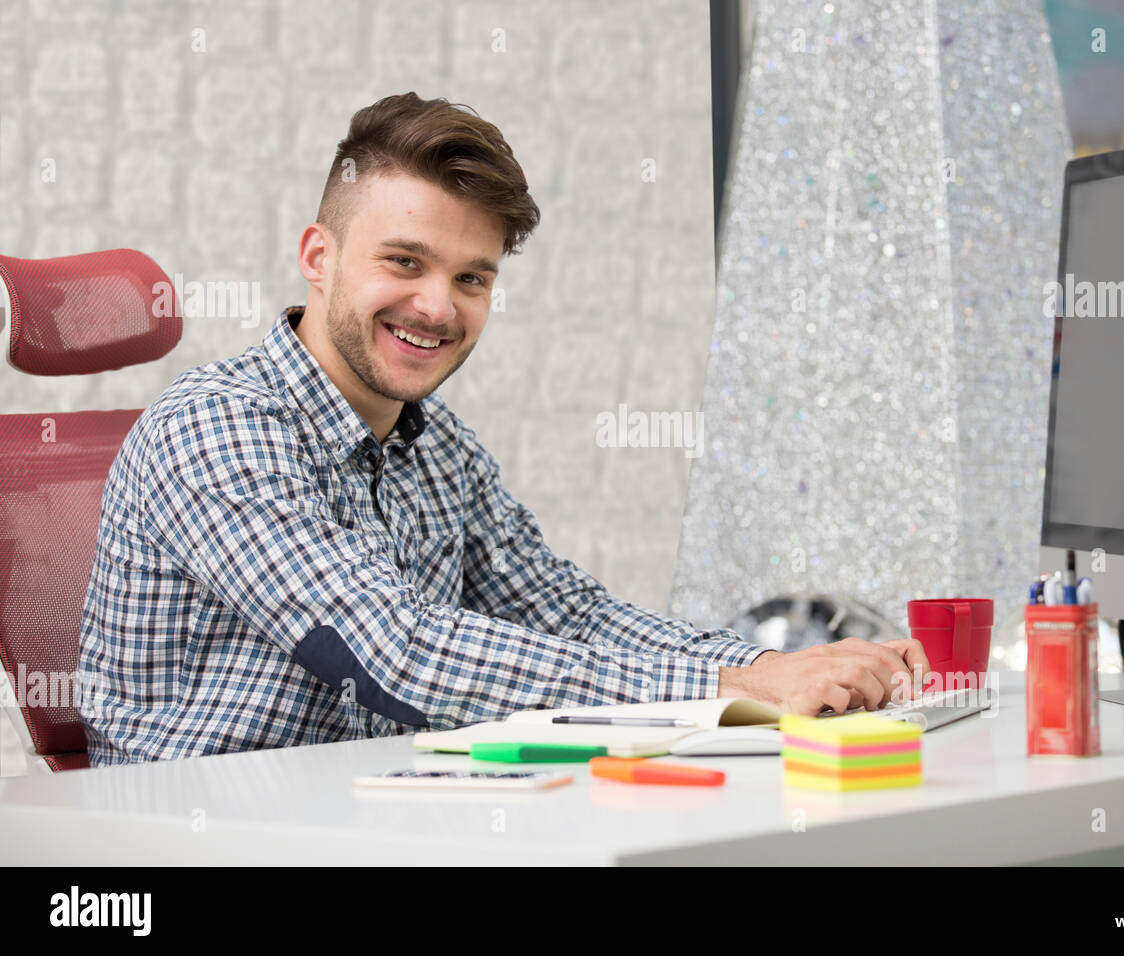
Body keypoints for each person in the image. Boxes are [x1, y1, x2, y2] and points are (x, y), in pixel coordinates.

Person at [76, 92, 927, 765]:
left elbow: (568, 615)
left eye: (471, 278)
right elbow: (394, 650)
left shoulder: (440, 448)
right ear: (319, 256)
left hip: (372, 813)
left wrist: (774, 669)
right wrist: (730, 682)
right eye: (404, 261)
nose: (437, 307)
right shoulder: (213, 427)